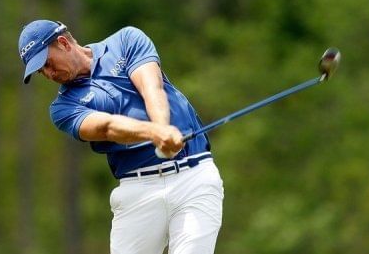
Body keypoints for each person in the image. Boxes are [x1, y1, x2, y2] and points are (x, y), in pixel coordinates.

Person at [17, 20, 224, 254]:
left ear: (63, 43)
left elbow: (151, 88)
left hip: (193, 177)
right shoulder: (63, 107)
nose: (48, 73)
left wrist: (162, 127)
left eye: (47, 63)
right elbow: (106, 127)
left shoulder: (125, 41)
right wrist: (156, 133)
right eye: (41, 71)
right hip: (137, 191)